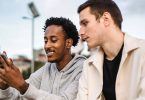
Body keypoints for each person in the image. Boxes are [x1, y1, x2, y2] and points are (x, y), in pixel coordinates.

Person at [0, 17, 86, 100]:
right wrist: (5, 86)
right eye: (45, 41)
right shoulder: (47, 69)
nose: (47, 46)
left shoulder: (83, 69)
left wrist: (22, 85)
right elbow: (18, 97)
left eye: (54, 40)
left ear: (68, 43)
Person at [76, 0, 145, 100]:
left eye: (85, 23)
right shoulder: (88, 66)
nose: (80, 32)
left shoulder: (143, 52)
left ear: (106, 19)